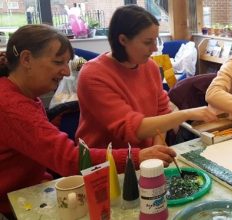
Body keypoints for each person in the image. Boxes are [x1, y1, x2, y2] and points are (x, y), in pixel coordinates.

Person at [0, 24, 176, 217]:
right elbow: (70, 159)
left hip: (31, 191)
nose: (67, 72)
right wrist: (138, 157)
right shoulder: (11, 106)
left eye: (67, 63)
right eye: (58, 62)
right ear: (26, 59)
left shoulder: (24, 96)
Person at [76, 5, 217, 149]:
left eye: (155, 41)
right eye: (148, 42)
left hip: (145, 156)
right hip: (106, 162)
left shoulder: (150, 67)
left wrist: (158, 147)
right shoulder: (93, 75)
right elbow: (131, 128)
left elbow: (161, 112)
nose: (155, 48)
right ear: (123, 40)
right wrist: (186, 114)